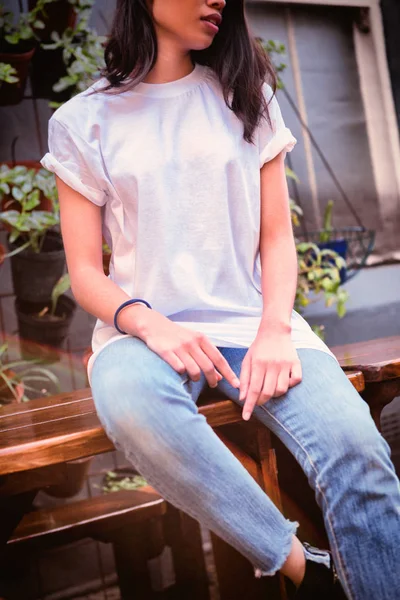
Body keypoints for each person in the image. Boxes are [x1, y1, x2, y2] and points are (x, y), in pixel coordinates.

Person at [41, 1, 400, 598]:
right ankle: (300, 565)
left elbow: (277, 238)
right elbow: (85, 274)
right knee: (131, 405)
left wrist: (274, 330)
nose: (218, 2)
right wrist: (148, 324)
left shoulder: (246, 93)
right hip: (145, 336)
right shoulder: (85, 120)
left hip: (255, 322)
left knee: (357, 452)